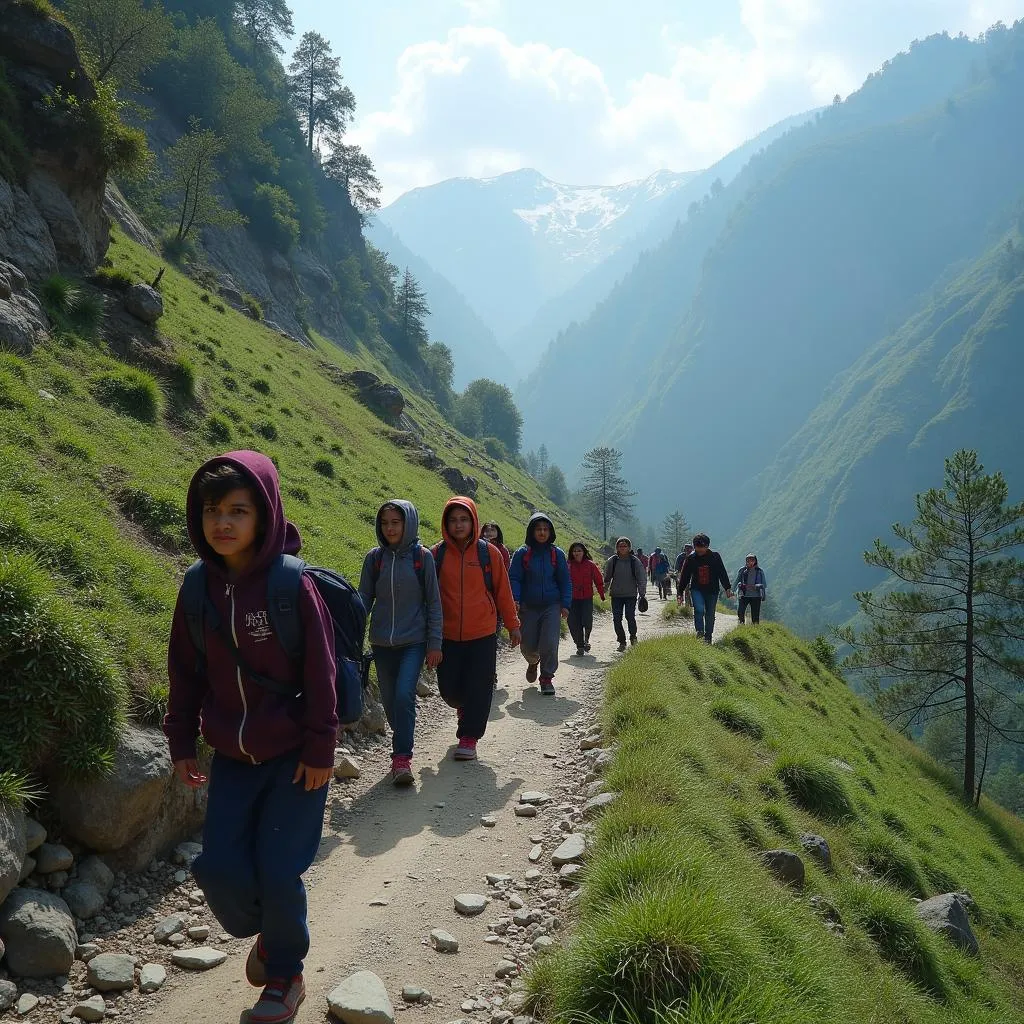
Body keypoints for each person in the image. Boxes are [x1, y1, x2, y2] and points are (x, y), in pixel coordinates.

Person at [165, 452, 337, 1024]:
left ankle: (285, 974)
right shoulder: (196, 590)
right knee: (220, 868)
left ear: (264, 516)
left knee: (279, 866)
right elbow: (184, 674)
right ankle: (269, 936)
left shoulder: (293, 584)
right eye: (213, 510)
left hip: (294, 758)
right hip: (232, 756)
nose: (224, 523)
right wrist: (182, 741)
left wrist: (320, 750)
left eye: (239, 510)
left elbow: (321, 674)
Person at [358, 501, 443, 786]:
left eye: (396, 522)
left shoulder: (422, 558)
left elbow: (434, 602)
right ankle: (402, 737)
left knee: (405, 695)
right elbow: (362, 602)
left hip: (413, 642)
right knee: (393, 702)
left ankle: (402, 758)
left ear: (409, 523)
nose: (390, 528)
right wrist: (349, 637)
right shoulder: (375, 559)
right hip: (382, 643)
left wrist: (435, 643)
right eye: (385, 523)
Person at [433, 497, 521, 759]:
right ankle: (464, 707)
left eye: (464, 519)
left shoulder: (488, 553)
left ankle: (469, 737)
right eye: (453, 520)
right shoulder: (436, 554)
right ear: (445, 524)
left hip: (483, 632)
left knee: (480, 686)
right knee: (449, 689)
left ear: (473, 522)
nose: (458, 525)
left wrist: (513, 624)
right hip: (447, 634)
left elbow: (503, 592)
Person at [509, 513, 572, 695]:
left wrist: (565, 604)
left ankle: (546, 678)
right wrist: (516, 599)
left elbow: (565, 581)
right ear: (532, 531)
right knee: (527, 645)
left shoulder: (556, 554)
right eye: (538, 529)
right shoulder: (522, 553)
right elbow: (514, 578)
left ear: (550, 532)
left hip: (551, 605)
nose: (542, 533)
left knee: (550, 643)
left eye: (545, 529)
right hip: (528, 606)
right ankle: (532, 661)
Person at [677, 533, 733, 644]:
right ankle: (700, 633)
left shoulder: (715, 557)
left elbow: (722, 572)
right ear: (694, 547)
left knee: (710, 613)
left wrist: (727, 588)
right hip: (696, 589)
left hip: (712, 590)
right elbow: (685, 576)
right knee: (698, 610)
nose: (700, 550)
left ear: (707, 546)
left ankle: (708, 636)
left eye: (703, 548)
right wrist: (680, 592)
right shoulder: (691, 558)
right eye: (698, 548)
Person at [603, 537, 647, 651]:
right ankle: (622, 641)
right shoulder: (612, 560)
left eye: (625, 546)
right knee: (616, 619)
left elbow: (641, 577)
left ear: (629, 548)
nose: (622, 548)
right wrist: (603, 591)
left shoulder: (634, 561)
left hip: (630, 595)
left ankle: (633, 637)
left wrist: (642, 593)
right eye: (620, 546)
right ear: (617, 547)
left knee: (630, 616)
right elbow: (607, 577)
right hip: (616, 595)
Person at [566, 541, 605, 656]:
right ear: (571, 553)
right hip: (572, 598)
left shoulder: (590, 565)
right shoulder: (567, 565)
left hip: (587, 597)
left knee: (586, 620)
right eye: (574, 551)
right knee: (573, 621)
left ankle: (586, 640)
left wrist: (602, 595)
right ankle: (579, 644)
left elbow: (598, 580)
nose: (576, 553)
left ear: (584, 552)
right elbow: (561, 581)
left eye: (579, 551)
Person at [735, 553, 767, 625]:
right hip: (743, 595)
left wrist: (764, 595)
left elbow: (763, 584)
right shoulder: (742, 570)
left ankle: (755, 629)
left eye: (752, 560)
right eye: (748, 560)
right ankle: (741, 625)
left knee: (755, 615)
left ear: (755, 561)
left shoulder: (759, 571)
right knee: (740, 611)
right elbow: (737, 581)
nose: (750, 562)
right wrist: (732, 590)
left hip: (756, 596)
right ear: (746, 561)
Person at [675, 543, 694, 608]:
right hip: (686, 575)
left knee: (681, 589)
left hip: (682, 575)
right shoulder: (693, 556)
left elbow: (676, 567)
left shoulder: (680, 556)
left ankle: (681, 604)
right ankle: (686, 604)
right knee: (686, 590)